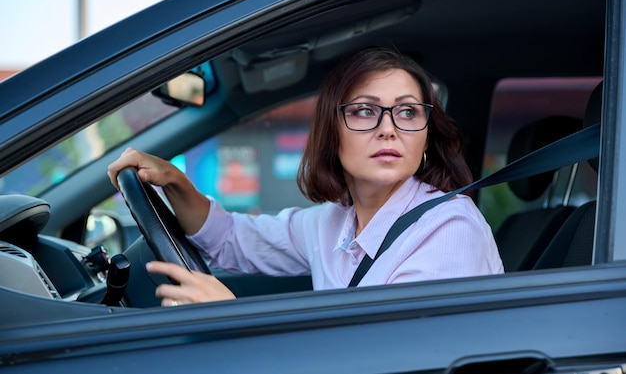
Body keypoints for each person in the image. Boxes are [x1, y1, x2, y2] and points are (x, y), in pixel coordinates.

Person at [107, 46, 503, 306]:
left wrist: (227, 318)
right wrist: (175, 181)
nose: (388, 128)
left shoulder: (450, 229)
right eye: (365, 111)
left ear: (426, 134)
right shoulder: (334, 222)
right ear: (332, 132)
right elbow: (231, 240)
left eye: (407, 112)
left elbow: (394, 360)